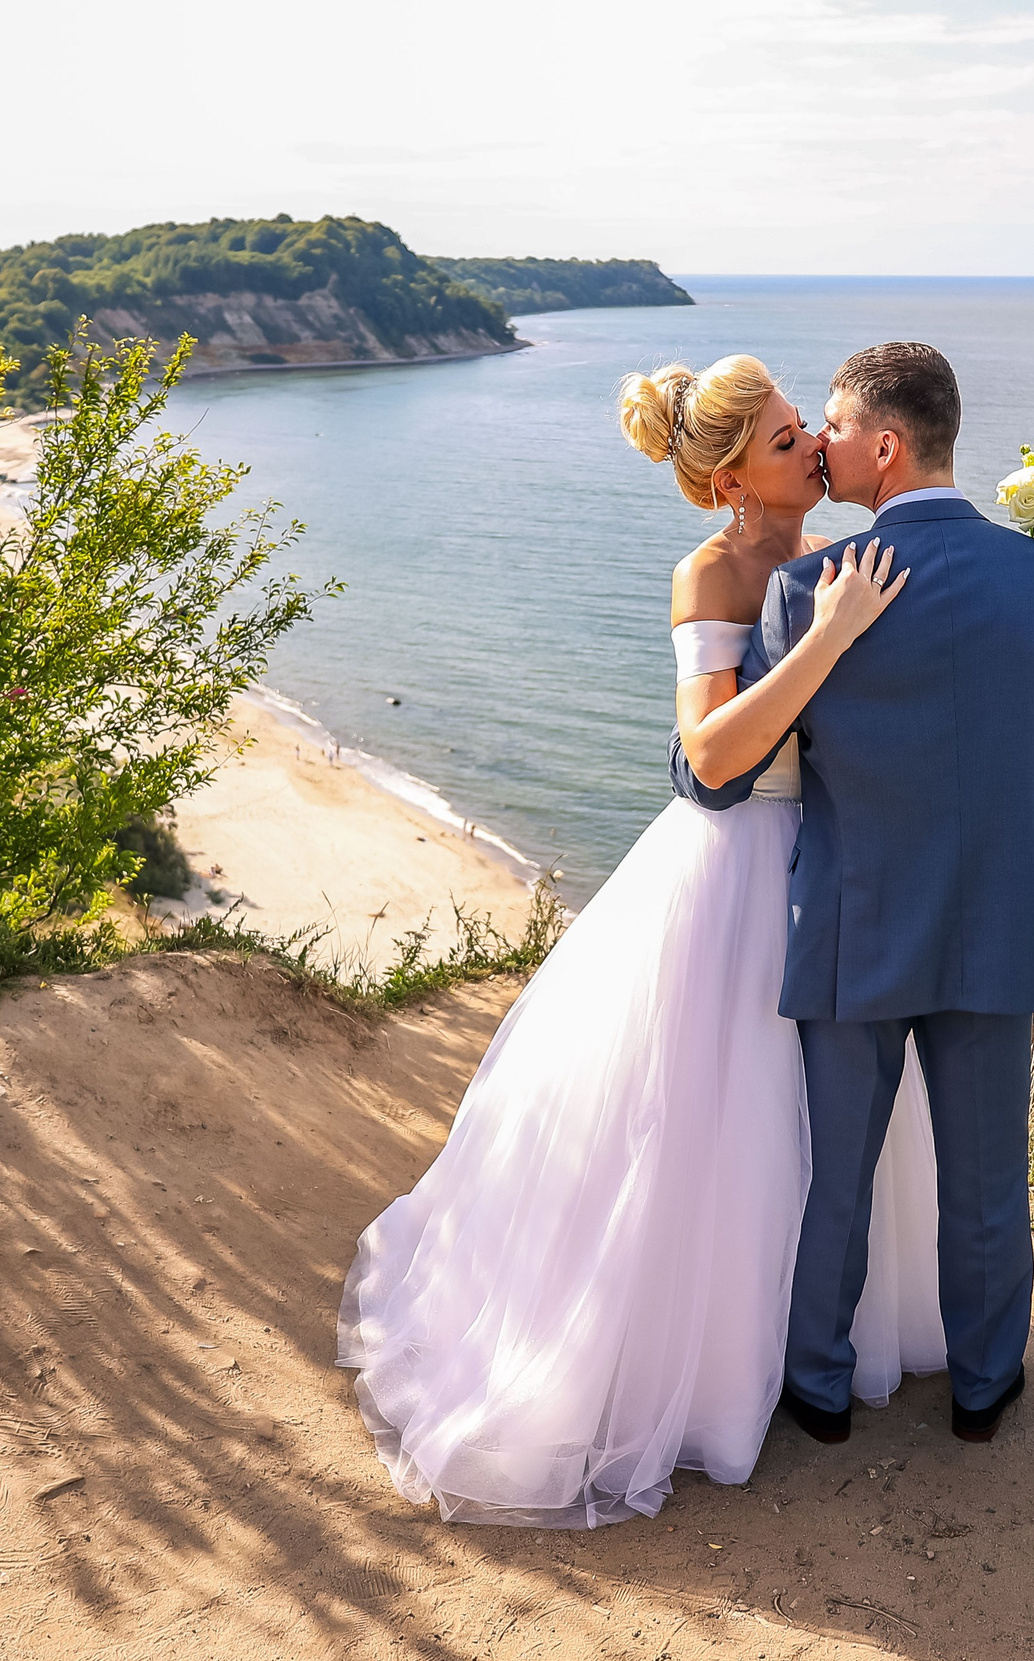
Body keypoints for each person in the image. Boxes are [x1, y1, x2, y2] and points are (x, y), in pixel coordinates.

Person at [336, 354, 947, 1527]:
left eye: (804, 428)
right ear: (731, 481)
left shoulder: (842, 556)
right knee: (713, 1118)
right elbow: (710, 754)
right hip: (733, 871)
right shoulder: (708, 572)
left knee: (825, 1119)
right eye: (785, 439)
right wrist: (824, 640)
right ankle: (700, 1372)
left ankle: (810, 1340)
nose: (812, 448)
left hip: (832, 867)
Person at [673, 341, 1034, 1447]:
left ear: (883, 445)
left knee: (838, 1177)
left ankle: (820, 1390)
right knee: (987, 1180)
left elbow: (748, 769)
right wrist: (988, 844)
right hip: (1001, 925)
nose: (817, 443)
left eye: (828, 424)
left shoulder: (807, 591)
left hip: (854, 922)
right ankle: (984, 1388)